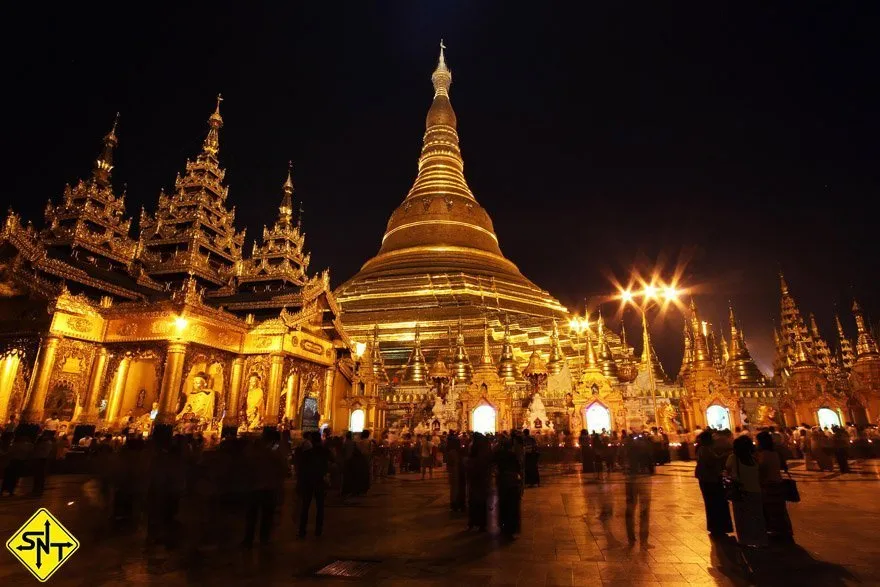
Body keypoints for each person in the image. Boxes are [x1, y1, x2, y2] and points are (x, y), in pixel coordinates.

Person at [725, 435, 767, 548]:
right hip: (756, 490)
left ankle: (744, 539)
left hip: (741, 491)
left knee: (741, 517)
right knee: (757, 516)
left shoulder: (733, 458)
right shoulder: (753, 458)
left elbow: (727, 469)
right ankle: (760, 539)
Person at [755, 431, 793, 541]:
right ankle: (784, 530)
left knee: (771, 509)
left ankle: (775, 530)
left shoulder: (764, 455)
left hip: (768, 484)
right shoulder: (775, 453)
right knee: (779, 509)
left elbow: (761, 469)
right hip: (777, 482)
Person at [694, 429, 733, 537]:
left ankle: (717, 525)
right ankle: (718, 526)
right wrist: (725, 455)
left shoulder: (704, 449)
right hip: (709, 479)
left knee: (713, 502)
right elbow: (712, 461)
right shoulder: (704, 449)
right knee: (714, 502)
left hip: (708, 478)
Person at [623, 431, 654, 549]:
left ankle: (631, 539)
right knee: (644, 509)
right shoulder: (645, 443)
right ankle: (644, 540)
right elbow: (651, 459)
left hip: (630, 477)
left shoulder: (626, 443)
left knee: (630, 507)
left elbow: (621, 459)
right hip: (643, 477)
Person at [297, 431, 329, 538]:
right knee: (320, 507)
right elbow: (332, 463)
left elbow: (301, 468)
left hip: (308, 481)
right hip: (319, 481)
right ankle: (318, 530)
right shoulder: (324, 452)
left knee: (305, 506)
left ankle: (302, 530)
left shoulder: (307, 453)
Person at [494, 439, 522, 536]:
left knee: (503, 504)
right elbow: (518, 468)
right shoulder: (513, 455)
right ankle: (512, 528)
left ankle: (503, 524)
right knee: (512, 506)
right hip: (512, 482)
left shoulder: (499, 454)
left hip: (503, 481)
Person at [466, 433, 491, 531]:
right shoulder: (486, 450)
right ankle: (481, 523)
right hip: (482, 480)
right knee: (481, 502)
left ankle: (473, 522)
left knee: (474, 502)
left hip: (476, 480)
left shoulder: (474, 449)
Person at [31, 432, 55, 496]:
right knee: (39, 475)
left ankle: (37, 489)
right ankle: (37, 489)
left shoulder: (45, 443)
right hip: (41, 459)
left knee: (39, 475)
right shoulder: (47, 443)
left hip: (41, 459)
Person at [446, 433, 465, 512]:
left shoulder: (452, 452)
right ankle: (455, 504)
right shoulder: (454, 452)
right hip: (455, 472)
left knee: (455, 489)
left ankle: (455, 503)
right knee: (456, 489)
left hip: (455, 473)